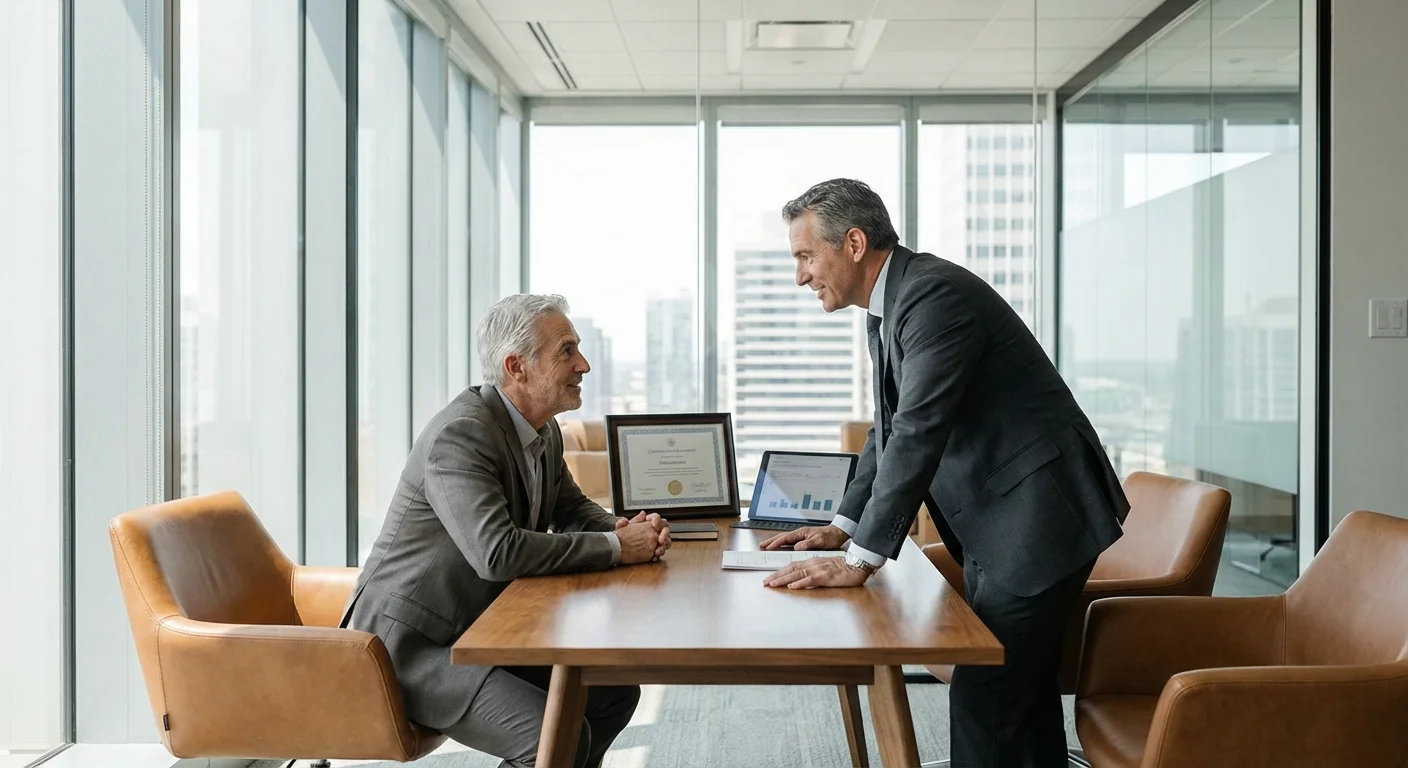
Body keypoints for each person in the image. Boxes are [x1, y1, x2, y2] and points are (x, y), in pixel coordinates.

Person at [759, 178, 1129, 767]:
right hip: (997, 519)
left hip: (1036, 518)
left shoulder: (933, 297)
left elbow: (918, 432)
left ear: (853, 243)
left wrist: (861, 559)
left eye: (806, 256)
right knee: (1017, 698)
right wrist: (844, 524)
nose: (800, 275)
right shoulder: (889, 308)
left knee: (988, 695)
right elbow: (888, 429)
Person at [340, 293, 671, 768]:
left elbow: (572, 507)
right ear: (517, 367)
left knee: (610, 691)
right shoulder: (462, 434)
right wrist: (617, 548)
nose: (584, 364)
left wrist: (626, 528)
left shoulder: (541, 428)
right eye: (566, 351)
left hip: (482, 630)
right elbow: (497, 552)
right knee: (551, 738)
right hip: (413, 650)